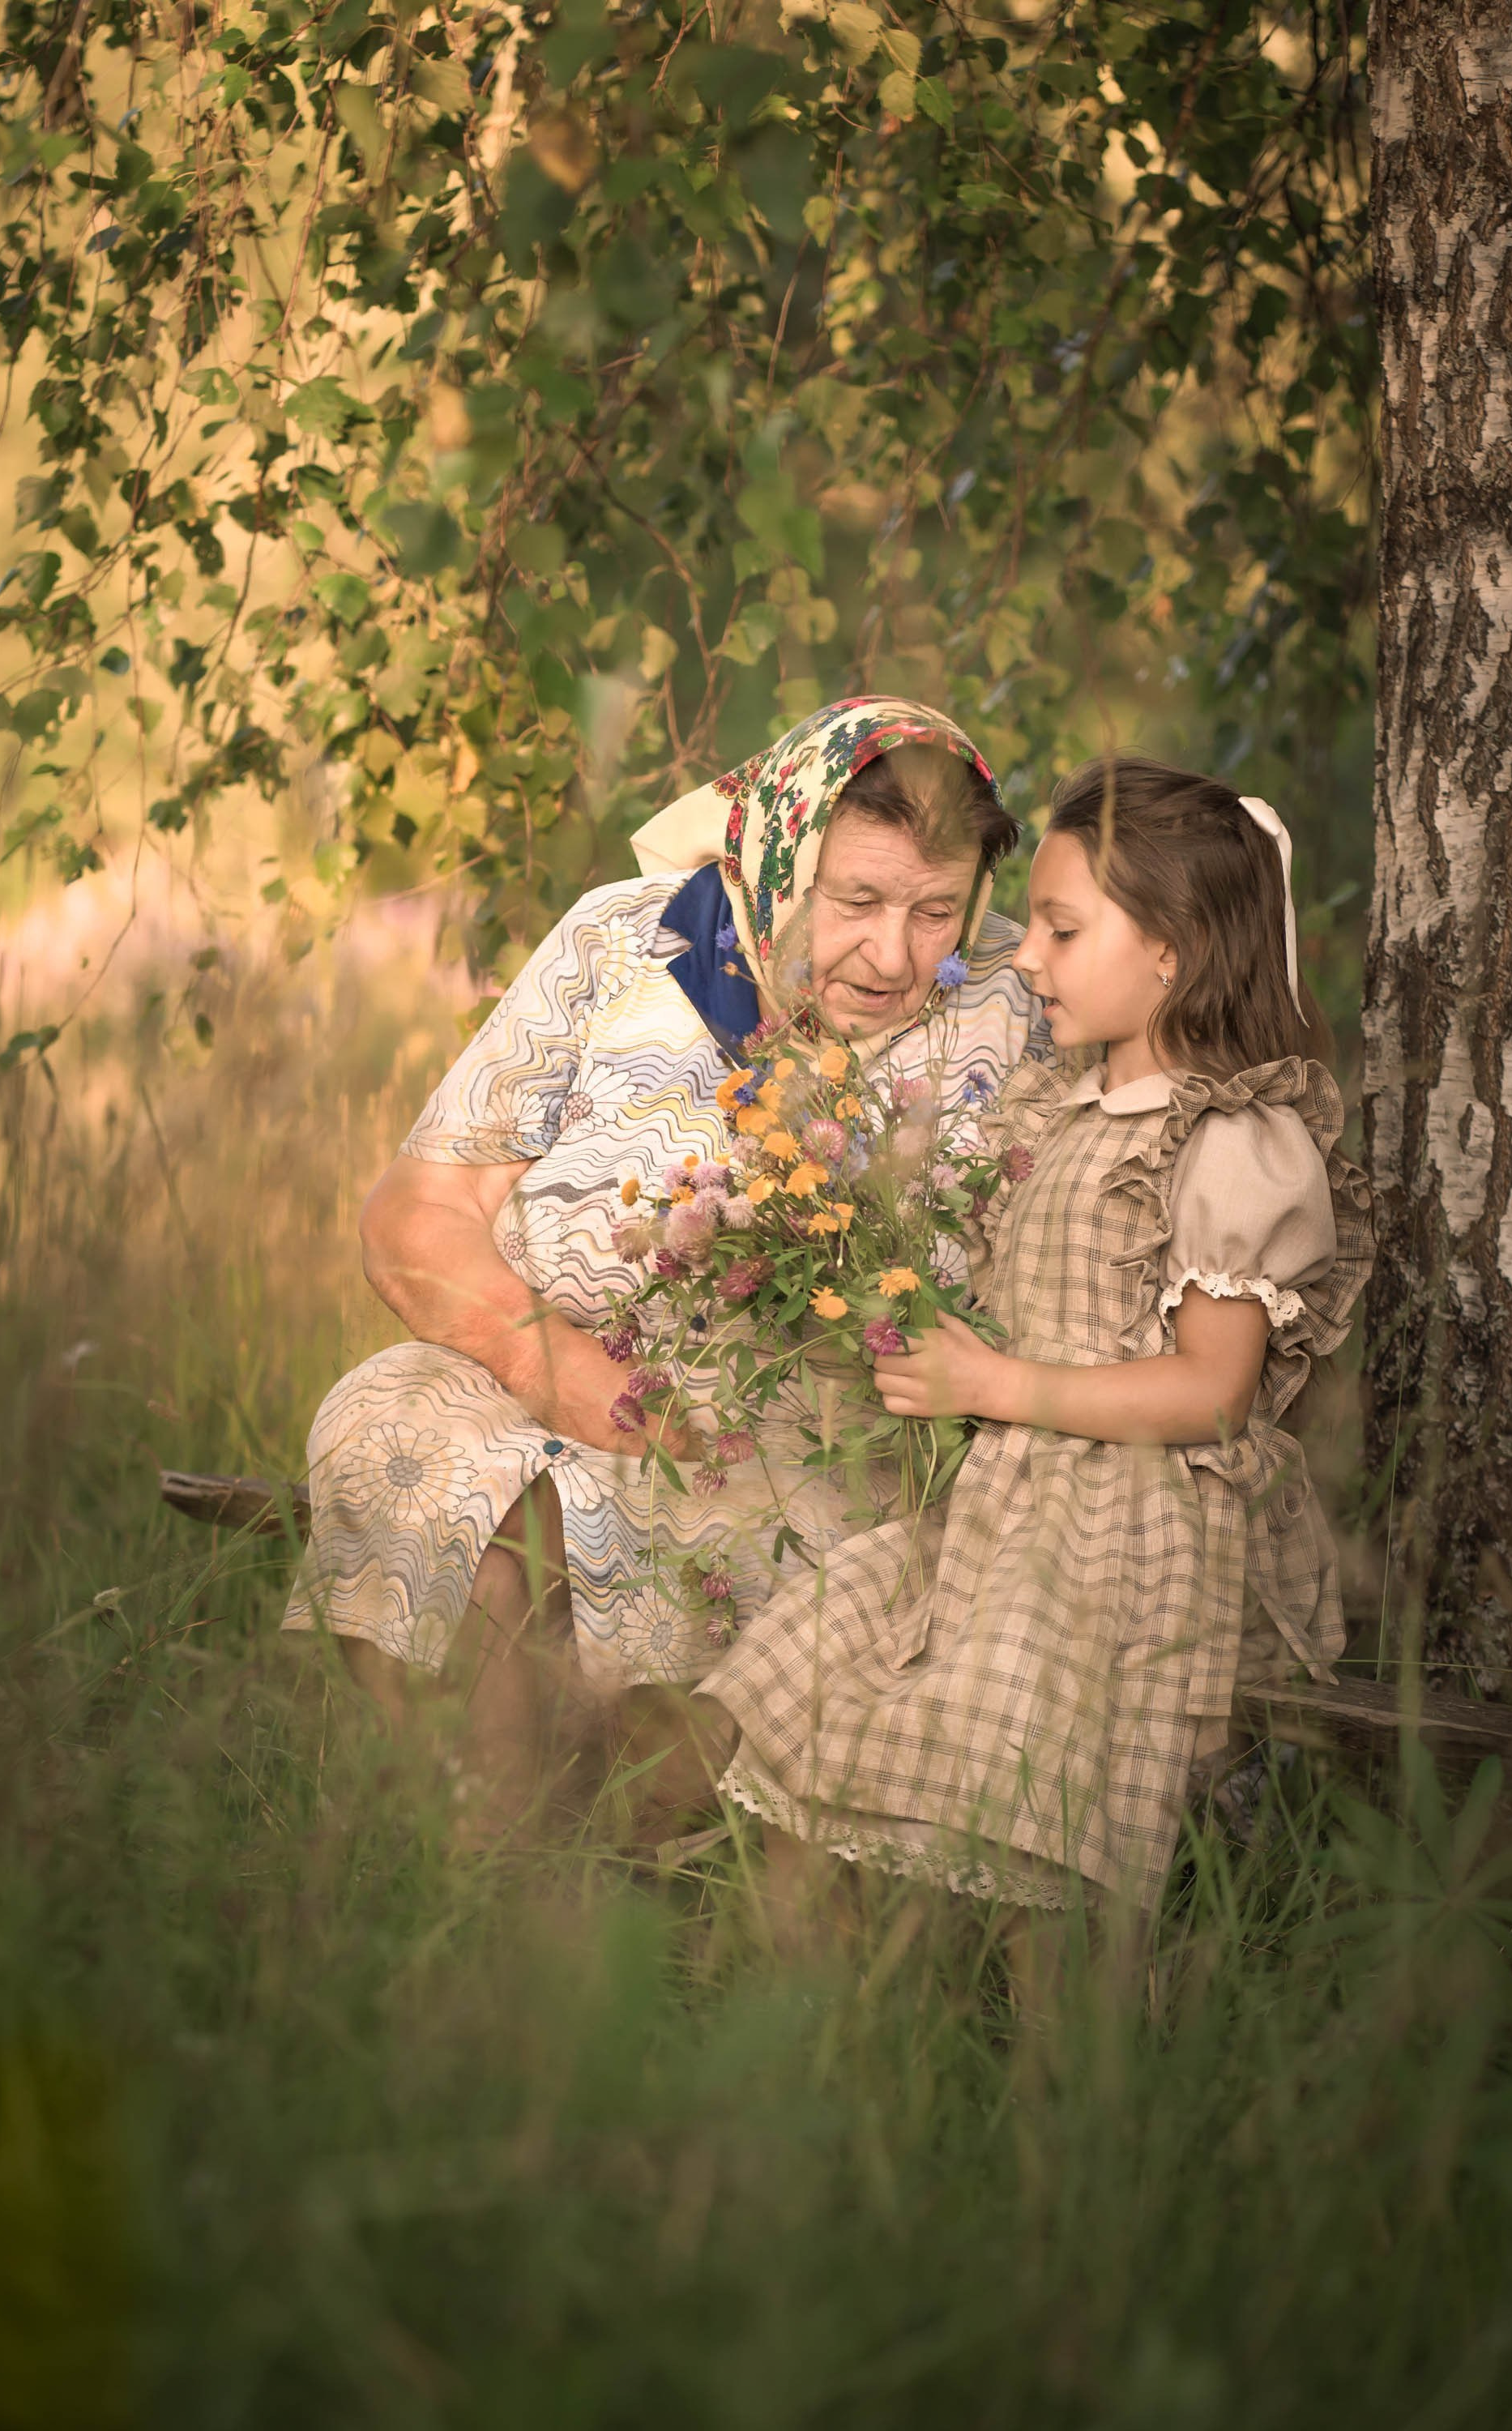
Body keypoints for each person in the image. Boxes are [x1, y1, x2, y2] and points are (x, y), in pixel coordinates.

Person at [283, 697, 1045, 1841]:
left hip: (811, 1441)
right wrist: (548, 1367)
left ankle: (580, 1863)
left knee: (608, 1537)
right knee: (403, 1435)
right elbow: (418, 1214)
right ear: (783, 861)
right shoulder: (625, 941)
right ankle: (491, 1861)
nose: (894, 955)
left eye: (936, 910)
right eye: (855, 902)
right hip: (532, 1370)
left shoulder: (1014, 1001)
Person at [701, 755, 1374, 1919]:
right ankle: (818, 1981)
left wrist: (993, 1382)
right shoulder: (1058, 1108)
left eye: (1062, 931)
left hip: (1139, 1521)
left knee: (1004, 1716)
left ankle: (1058, 1998)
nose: (1025, 957)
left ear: (1172, 953)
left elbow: (1214, 1392)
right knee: (813, 1654)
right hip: (1012, 1496)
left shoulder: (1229, 1138)